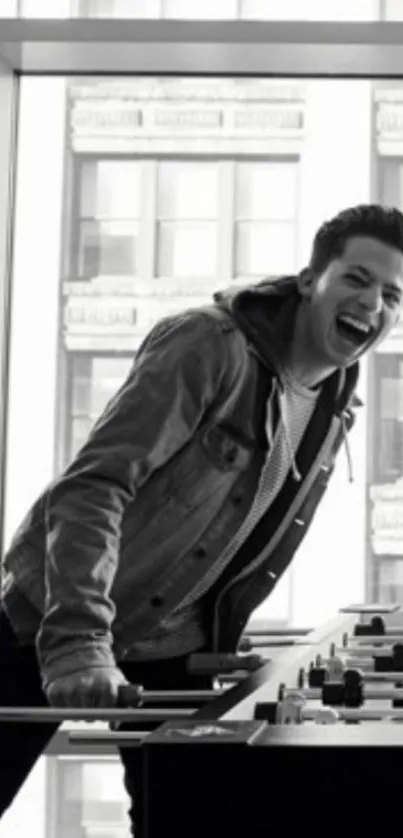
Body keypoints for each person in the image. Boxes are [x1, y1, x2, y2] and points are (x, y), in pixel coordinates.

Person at [1, 203, 403, 835]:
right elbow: (93, 489)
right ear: (309, 280)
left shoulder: (336, 397)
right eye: (356, 279)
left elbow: (239, 533)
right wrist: (79, 641)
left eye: (392, 294)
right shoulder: (208, 345)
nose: (372, 304)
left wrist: (218, 644)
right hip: (50, 616)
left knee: (190, 819)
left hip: (172, 645)